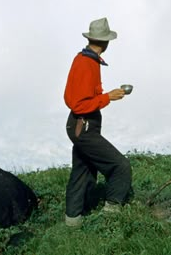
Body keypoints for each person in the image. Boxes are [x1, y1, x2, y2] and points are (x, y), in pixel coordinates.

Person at [64, 17, 132, 227]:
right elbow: (77, 104)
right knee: (121, 166)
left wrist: (106, 97)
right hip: (83, 127)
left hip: (79, 126)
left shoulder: (85, 59)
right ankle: (110, 217)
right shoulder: (86, 63)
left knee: (82, 171)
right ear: (105, 42)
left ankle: (72, 221)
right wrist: (107, 97)